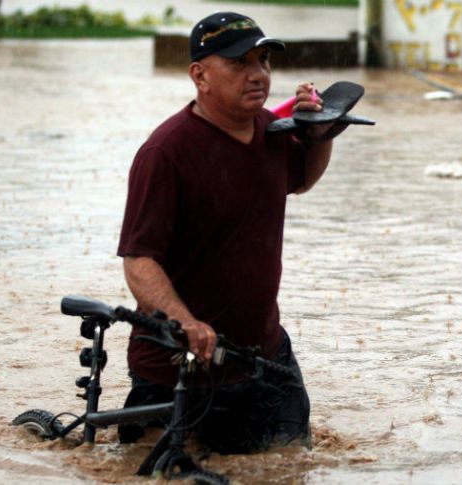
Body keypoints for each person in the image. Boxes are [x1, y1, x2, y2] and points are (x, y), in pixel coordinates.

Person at [115, 11, 337, 453]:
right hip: (180, 365)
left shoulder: (272, 132)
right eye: (240, 64)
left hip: (264, 353)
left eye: (264, 62)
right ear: (200, 75)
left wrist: (320, 134)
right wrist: (186, 322)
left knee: (290, 466)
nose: (258, 76)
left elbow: (302, 180)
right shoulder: (166, 153)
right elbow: (139, 261)